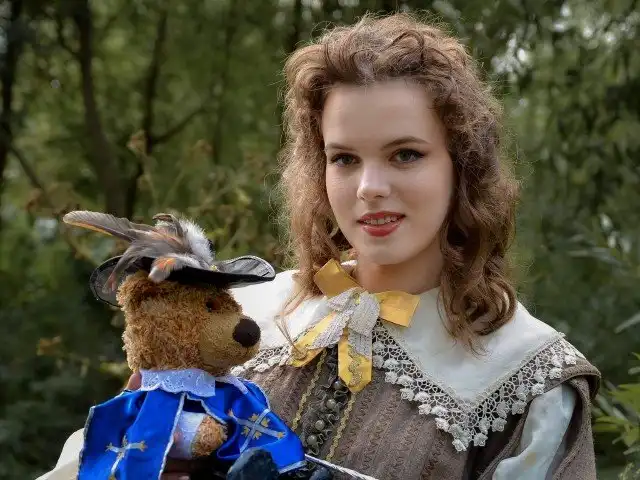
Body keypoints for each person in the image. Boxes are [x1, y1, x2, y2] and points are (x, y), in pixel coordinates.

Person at [38, 12, 600, 480]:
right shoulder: (244, 313)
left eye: (405, 154)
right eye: (344, 158)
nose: (369, 187)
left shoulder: (526, 377)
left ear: (462, 165)